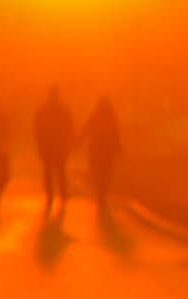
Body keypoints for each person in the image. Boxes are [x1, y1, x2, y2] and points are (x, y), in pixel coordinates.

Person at [33, 89, 78, 220]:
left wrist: (39, 141)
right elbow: (69, 125)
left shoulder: (43, 109)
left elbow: (37, 127)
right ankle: (63, 194)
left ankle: (50, 195)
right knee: (60, 170)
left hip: (47, 145)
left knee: (48, 170)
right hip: (59, 145)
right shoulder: (63, 110)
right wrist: (72, 140)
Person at [81, 97, 124, 222]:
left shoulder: (95, 115)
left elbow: (86, 129)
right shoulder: (111, 117)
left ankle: (100, 193)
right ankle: (102, 194)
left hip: (95, 150)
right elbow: (116, 134)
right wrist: (119, 149)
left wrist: (78, 142)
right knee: (106, 173)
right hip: (107, 151)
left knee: (97, 172)